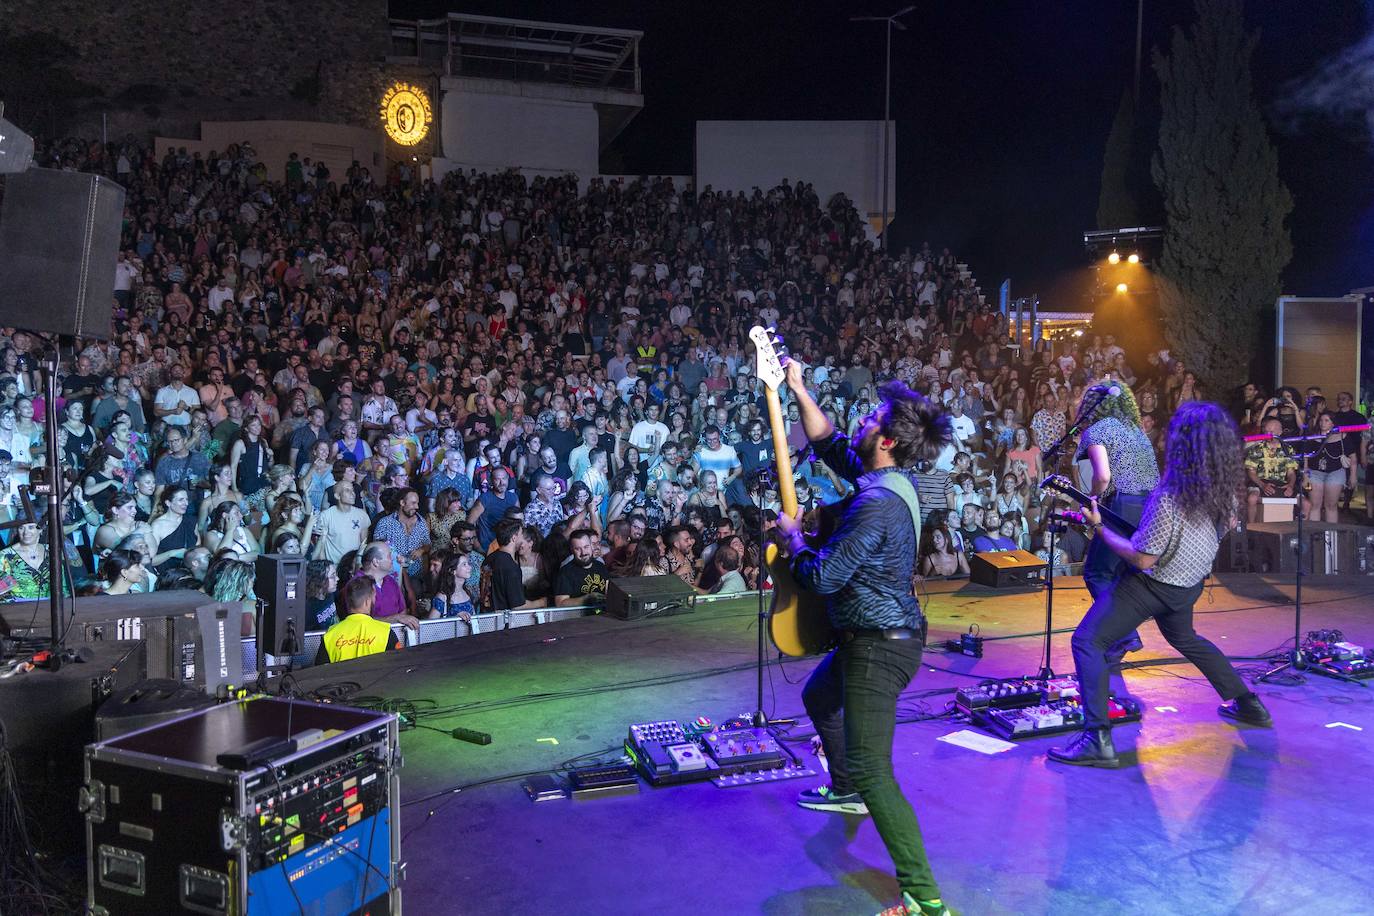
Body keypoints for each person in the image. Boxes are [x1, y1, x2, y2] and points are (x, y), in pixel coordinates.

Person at [773, 358, 954, 916]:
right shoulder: (891, 479)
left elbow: (824, 576)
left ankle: (925, 898)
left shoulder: (875, 504)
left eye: (872, 418)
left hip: (880, 645)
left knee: (879, 770)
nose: (863, 421)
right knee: (819, 697)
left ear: (887, 439)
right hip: (871, 637)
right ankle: (844, 786)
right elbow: (828, 443)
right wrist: (798, 389)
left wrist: (793, 540)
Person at [1049, 403, 1272, 768]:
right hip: (1188, 585)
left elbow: (1141, 559)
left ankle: (1097, 739)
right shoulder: (1223, 494)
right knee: (1186, 639)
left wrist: (1099, 529)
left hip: (1154, 586)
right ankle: (1249, 704)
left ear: (1181, 445)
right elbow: (1217, 528)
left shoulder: (1169, 497)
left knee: (1088, 640)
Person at [1073, 382, 1159, 662]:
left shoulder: (1097, 430)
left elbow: (1103, 477)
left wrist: (1090, 500)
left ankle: (1125, 634)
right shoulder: (1136, 430)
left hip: (1122, 506)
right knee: (1121, 574)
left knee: (1098, 573)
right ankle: (1121, 638)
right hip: (1150, 506)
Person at [314, 576, 401, 664]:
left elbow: (320, 672)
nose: (375, 600)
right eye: (374, 597)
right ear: (367, 601)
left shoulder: (330, 635)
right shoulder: (385, 632)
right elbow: (399, 665)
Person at [479, 517, 547, 612]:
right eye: (521, 534)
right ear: (514, 538)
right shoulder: (510, 567)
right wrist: (541, 602)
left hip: (487, 616)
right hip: (503, 622)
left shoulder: (489, 559)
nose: (523, 536)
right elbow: (517, 606)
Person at [552, 528, 610, 607]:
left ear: (591, 546)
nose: (583, 552)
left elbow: (609, 592)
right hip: (578, 617)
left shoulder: (600, 566)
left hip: (603, 614)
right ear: (572, 550)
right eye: (578, 549)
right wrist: (586, 599)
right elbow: (560, 603)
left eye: (586, 547)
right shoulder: (566, 572)